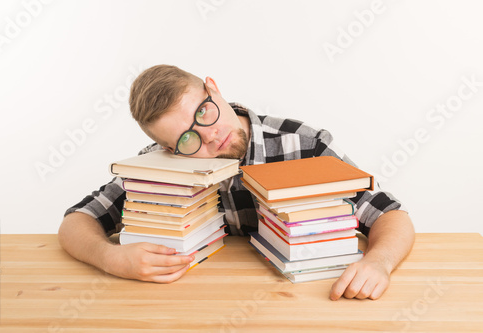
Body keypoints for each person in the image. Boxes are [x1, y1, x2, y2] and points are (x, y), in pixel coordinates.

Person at [59, 64, 415, 300]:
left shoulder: (305, 144)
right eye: (187, 138)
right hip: (199, 303)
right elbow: (78, 220)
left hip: (308, 300)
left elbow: (389, 214)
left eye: (204, 111)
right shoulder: (160, 165)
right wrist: (109, 257)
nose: (211, 136)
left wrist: (378, 262)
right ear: (169, 148)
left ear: (213, 88)